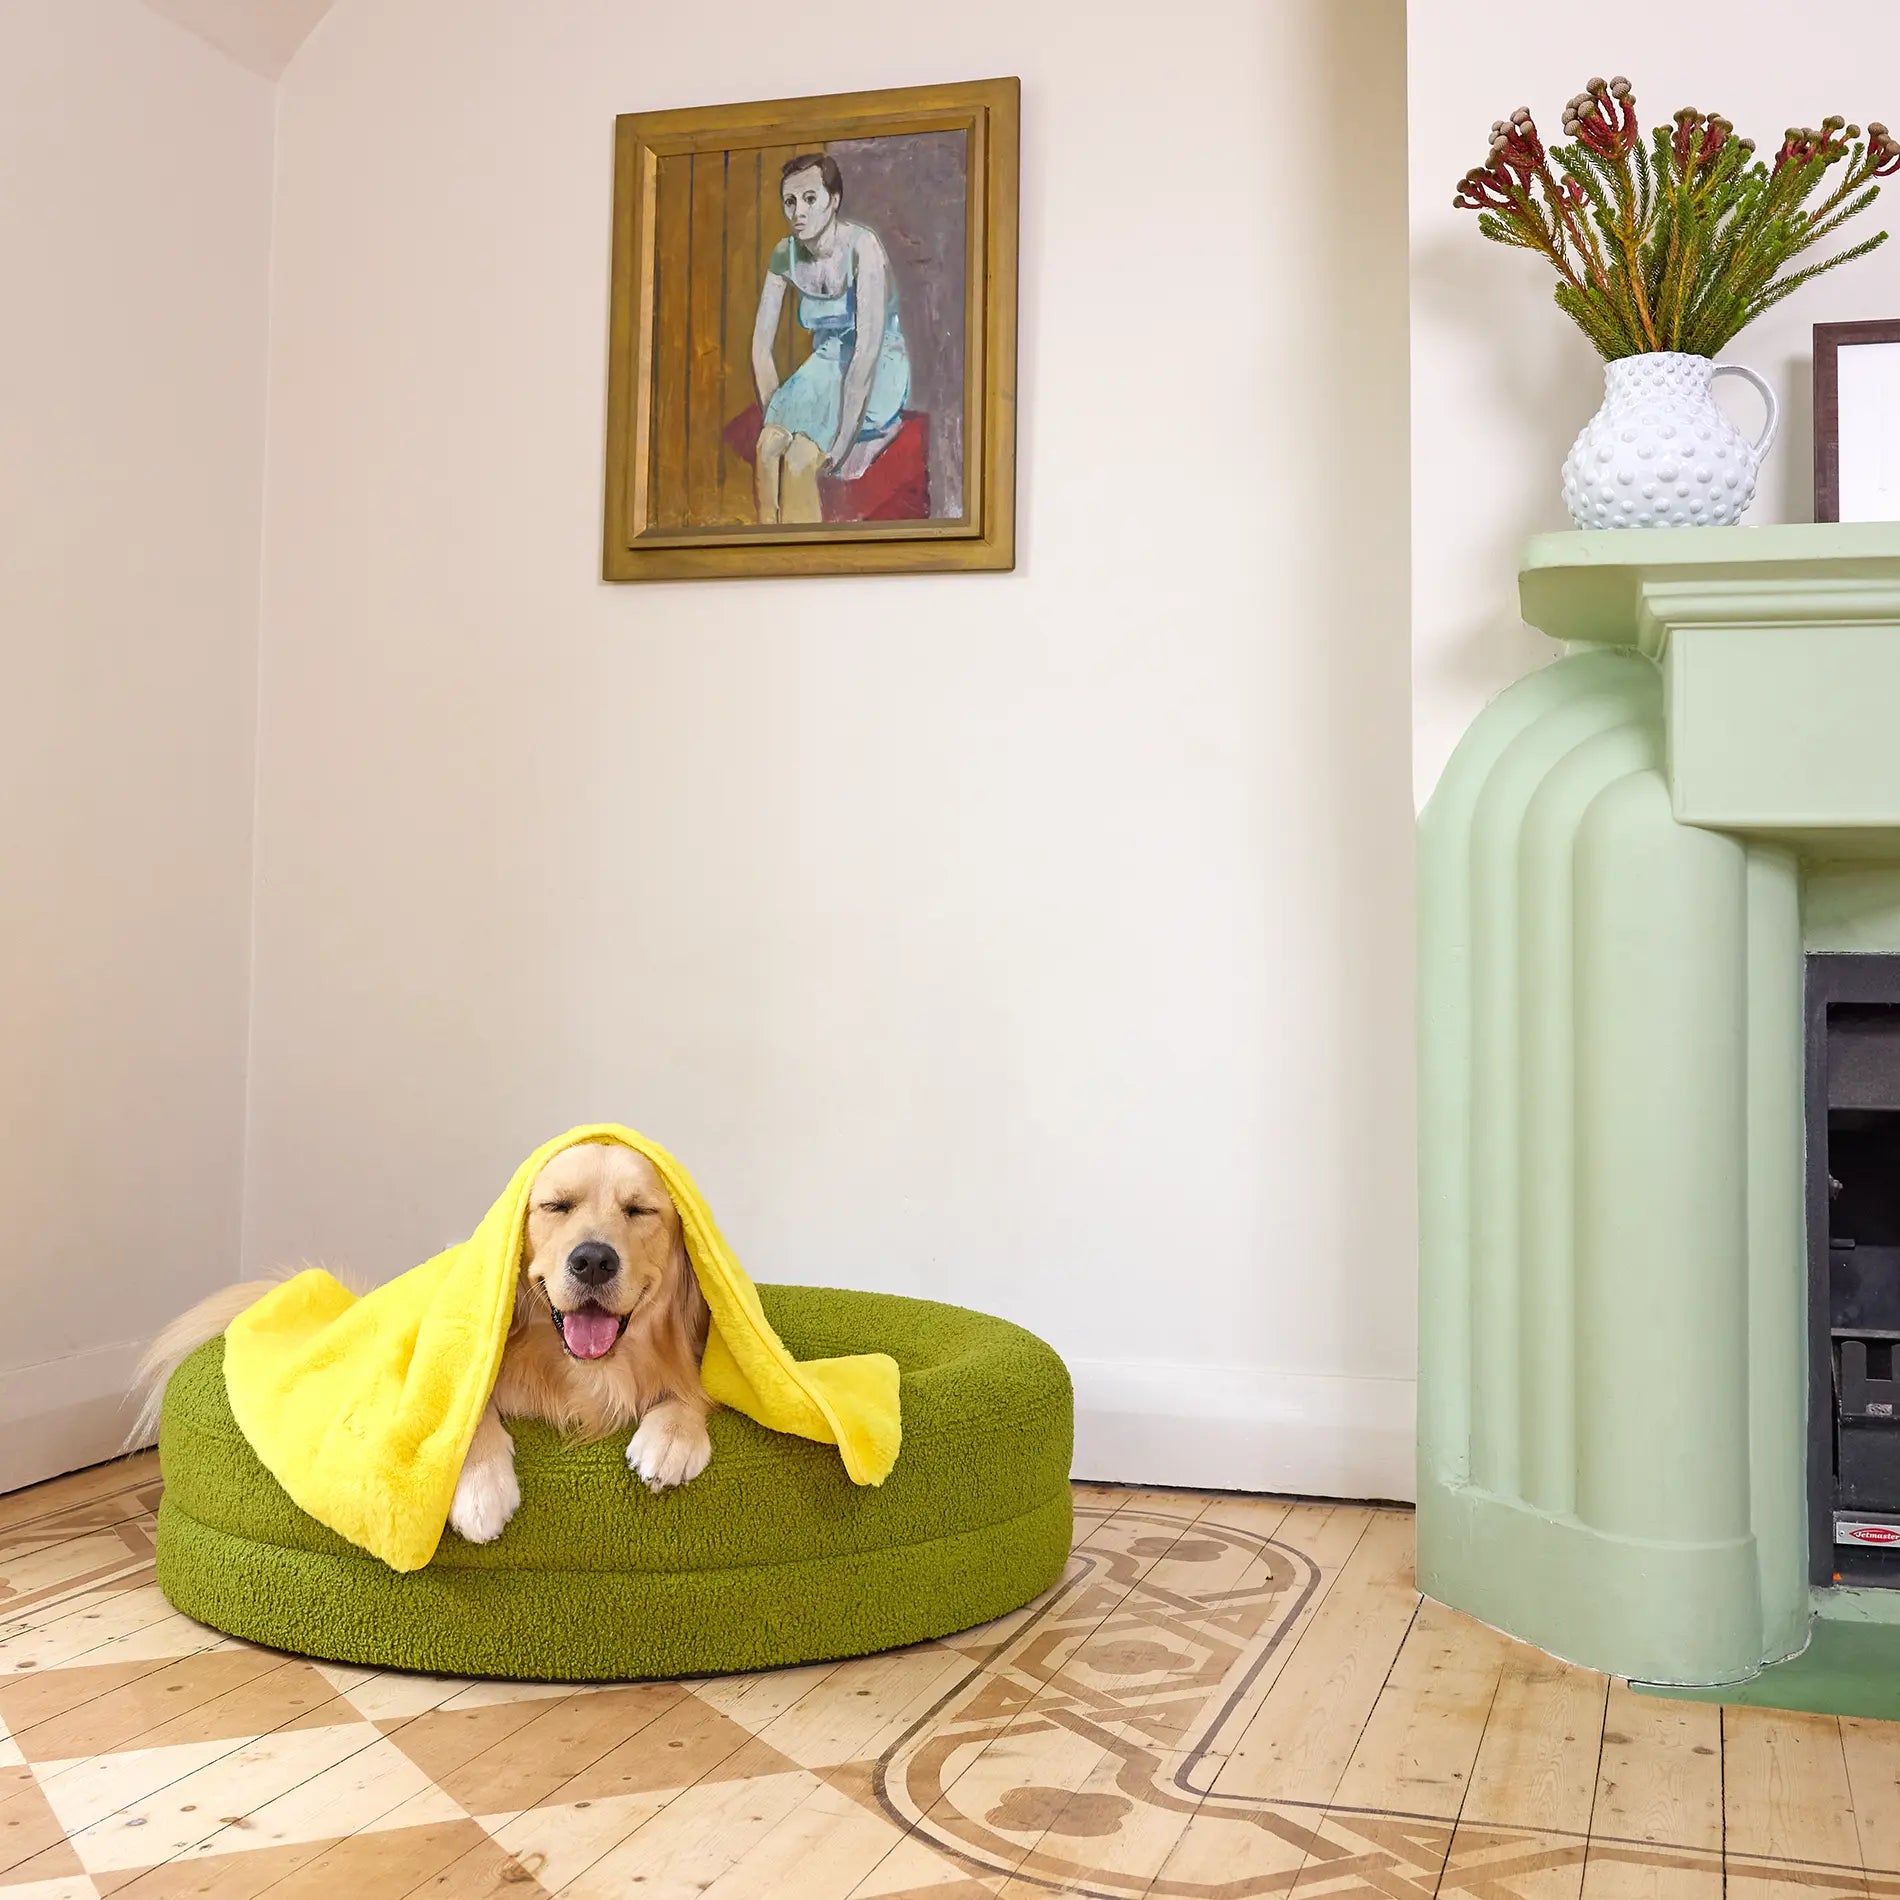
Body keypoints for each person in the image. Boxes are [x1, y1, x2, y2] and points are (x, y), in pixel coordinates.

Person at [750, 153, 911, 525]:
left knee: (802, 458)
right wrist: (777, 410)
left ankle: (802, 565)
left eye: (810, 198)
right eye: (790, 201)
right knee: (768, 444)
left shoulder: (862, 247)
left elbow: (867, 351)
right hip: (826, 362)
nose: (798, 212)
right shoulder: (783, 255)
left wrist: (841, 444)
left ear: (833, 201)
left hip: (877, 367)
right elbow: (761, 347)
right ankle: (766, 561)